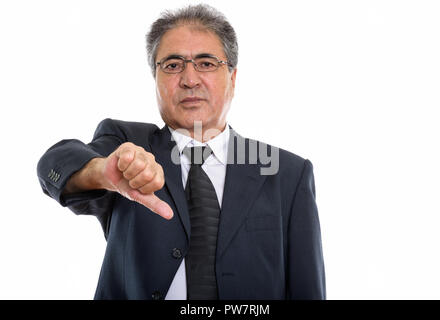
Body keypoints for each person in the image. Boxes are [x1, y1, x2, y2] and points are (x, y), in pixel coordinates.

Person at [37, 4, 326, 300]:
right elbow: (54, 164)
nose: (190, 79)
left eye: (206, 63)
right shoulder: (128, 147)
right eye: (173, 65)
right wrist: (101, 172)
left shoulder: (287, 172)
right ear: (155, 78)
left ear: (233, 78)